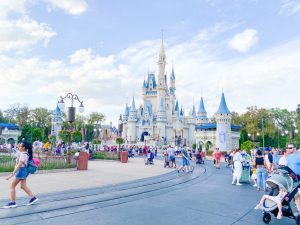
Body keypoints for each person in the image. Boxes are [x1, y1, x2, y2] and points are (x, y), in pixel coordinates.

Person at [4, 141, 38, 208]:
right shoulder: (26, 153)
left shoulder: (23, 154)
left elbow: (19, 165)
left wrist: (12, 174)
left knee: (12, 186)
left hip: (21, 171)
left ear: (23, 147)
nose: (18, 147)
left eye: (20, 146)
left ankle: (13, 202)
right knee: (23, 186)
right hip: (25, 171)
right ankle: (33, 198)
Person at [286, 143, 300, 212]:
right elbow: (288, 167)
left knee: (296, 195)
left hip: (298, 177)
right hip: (291, 178)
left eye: (290, 148)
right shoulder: (288, 157)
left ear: (295, 147)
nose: (289, 149)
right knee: (295, 195)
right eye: (288, 148)